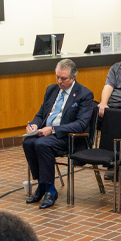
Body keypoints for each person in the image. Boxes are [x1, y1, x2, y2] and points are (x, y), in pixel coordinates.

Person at [23, 59, 95, 210]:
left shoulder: (84, 95)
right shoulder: (52, 90)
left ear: (73, 78)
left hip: (68, 138)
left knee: (41, 144)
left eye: (63, 78)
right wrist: (35, 125)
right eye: (57, 77)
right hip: (47, 134)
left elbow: (81, 124)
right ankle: (42, 184)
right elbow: (41, 113)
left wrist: (53, 130)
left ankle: (50, 189)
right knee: (28, 142)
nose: (59, 81)